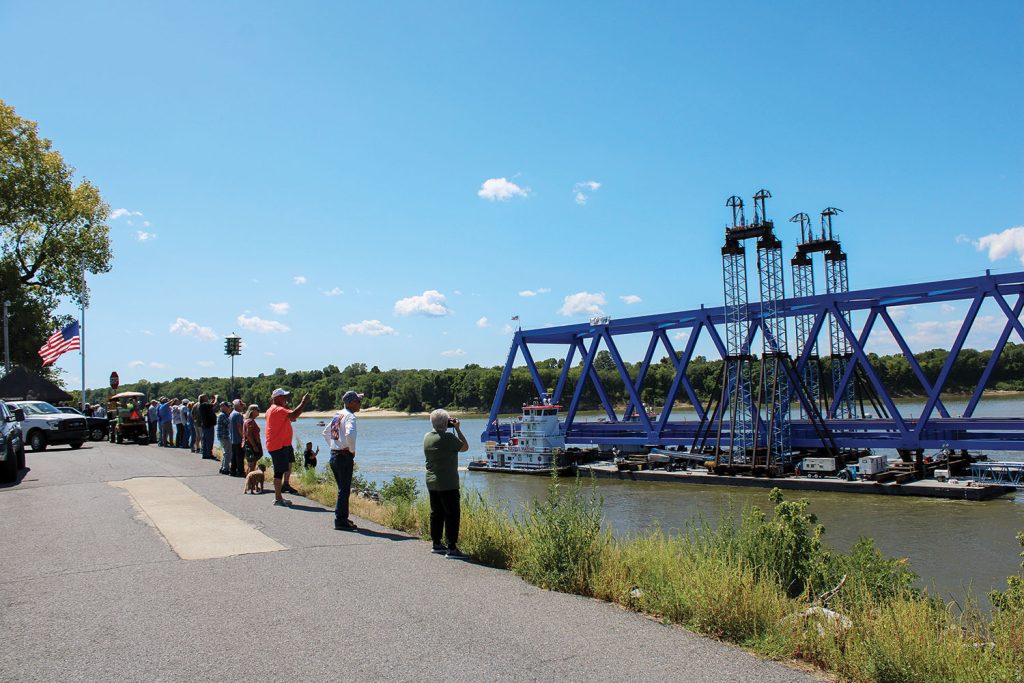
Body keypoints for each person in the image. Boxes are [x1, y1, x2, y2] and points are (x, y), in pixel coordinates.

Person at [423, 409, 469, 558]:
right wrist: (458, 429)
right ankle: (452, 548)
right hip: (448, 483)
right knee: (452, 515)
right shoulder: (449, 437)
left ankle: (436, 544)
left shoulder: (427, 437)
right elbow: (464, 447)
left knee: (436, 513)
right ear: (446, 423)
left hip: (432, 482)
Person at [265, 388, 311, 507]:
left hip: (279, 444)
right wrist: (303, 402)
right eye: (283, 396)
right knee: (279, 472)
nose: (286, 398)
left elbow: (292, 417)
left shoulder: (273, 409)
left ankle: (279, 497)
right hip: (278, 445)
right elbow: (294, 415)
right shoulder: (278, 409)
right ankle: (278, 498)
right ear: (277, 398)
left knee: (279, 471)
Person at [324, 391, 362, 529]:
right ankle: (341, 520)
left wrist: (334, 446)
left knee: (342, 489)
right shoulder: (350, 416)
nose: (360, 404)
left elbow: (326, 433)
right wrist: (351, 450)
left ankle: (342, 518)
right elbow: (350, 434)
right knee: (344, 490)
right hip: (343, 456)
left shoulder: (338, 415)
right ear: (351, 403)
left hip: (334, 456)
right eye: (358, 401)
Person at [197, 394, 219, 459]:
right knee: (209, 440)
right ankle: (208, 454)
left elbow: (211, 405)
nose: (207, 398)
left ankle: (205, 453)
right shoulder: (204, 405)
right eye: (206, 397)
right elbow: (214, 404)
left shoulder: (203, 405)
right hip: (208, 425)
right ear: (203, 398)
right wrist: (216, 398)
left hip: (206, 425)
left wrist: (213, 400)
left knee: (206, 440)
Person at [242, 404, 263, 475]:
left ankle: (249, 483)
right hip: (250, 445)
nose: (259, 412)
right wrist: (254, 446)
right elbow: (248, 434)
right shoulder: (250, 421)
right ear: (253, 411)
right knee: (252, 465)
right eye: (258, 410)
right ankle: (250, 483)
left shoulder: (248, 420)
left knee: (250, 465)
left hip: (249, 444)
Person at [229, 399, 245, 477]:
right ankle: (241, 472)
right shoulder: (238, 415)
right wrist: (243, 437)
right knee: (240, 457)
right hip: (238, 439)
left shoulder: (231, 414)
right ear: (237, 406)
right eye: (241, 405)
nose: (243, 407)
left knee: (234, 456)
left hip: (233, 439)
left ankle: (232, 471)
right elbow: (239, 427)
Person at [216, 401, 232, 474]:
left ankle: (223, 467)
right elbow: (229, 423)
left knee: (226, 452)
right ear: (224, 407)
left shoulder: (222, 414)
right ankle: (225, 469)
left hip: (222, 435)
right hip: (224, 436)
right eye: (228, 406)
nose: (229, 408)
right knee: (228, 452)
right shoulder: (223, 415)